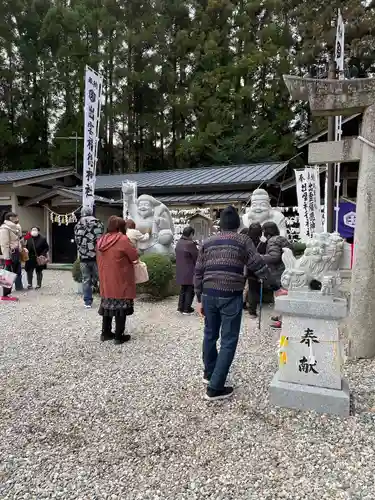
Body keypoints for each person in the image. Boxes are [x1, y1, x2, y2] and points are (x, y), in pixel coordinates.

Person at [194, 206, 282, 401]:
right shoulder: (243, 240)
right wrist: (276, 287)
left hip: (208, 294)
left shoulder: (207, 242)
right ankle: (215, 388)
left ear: (220, 224)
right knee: (228, 339)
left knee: (209, 335)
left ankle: (209, 373)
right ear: (238, 224)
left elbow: (198, 271)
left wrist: (199, 298)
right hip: (230, 294)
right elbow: (258, 265)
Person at [97, 216, 138, 344]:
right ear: (121, 227)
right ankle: (119, 336)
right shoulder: (122, 239)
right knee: (120, 307)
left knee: (107, 306)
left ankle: (106, 333)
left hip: (105, 279)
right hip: (120, 278)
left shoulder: (101, 240)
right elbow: (134, 255)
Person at [261, 221, 292, 329]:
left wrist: (261, 257)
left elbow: (274, 257)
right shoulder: (281, 239)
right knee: (283, 295)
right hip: (285, 270)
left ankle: (282, 320)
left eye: (263, 231)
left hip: (278, 272)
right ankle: (280, 316)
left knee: (280, 296)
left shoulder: (272, 241)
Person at [74, 207, 104, 309]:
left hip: (83, 257)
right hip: (96, 256)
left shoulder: (78, 225)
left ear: (82, 213)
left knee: (86, 279)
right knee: (101, 278)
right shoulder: (98, 223)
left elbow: (77, 240)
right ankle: (105, 299)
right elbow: (101, 239)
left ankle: (87, 302)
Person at [175, 226, 199, 314]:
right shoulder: (190, 244)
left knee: (183, 289)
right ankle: (186, 308)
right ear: (191, 234)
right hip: (189, 270)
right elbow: (196, 257)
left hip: (180, 269)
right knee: (190, 289)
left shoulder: (179, 242)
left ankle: (180, 307)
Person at [0, 212, 23, 300]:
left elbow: (19, 238)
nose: (17, 219)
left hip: (16, 252)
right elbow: (4, 244)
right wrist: (6, 258)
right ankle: (4, 295)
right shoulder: (4, 228)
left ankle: (7, 294)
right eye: (16, 217)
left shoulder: (14, 228)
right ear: (10, 218)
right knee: (7, 273)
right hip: (10, 253)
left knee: (14, 273)